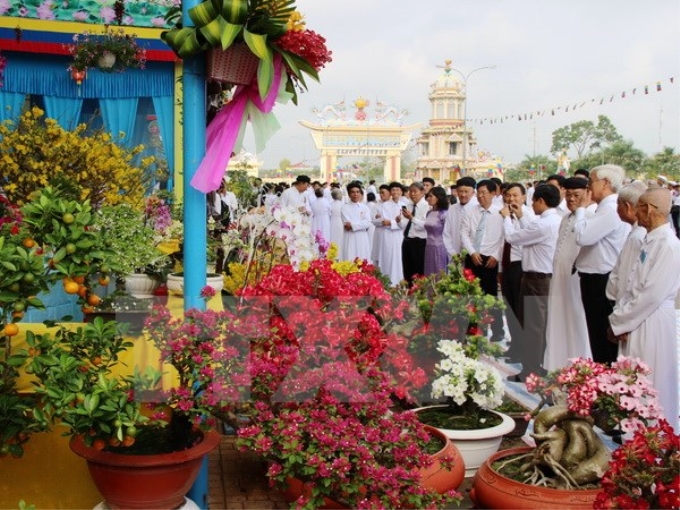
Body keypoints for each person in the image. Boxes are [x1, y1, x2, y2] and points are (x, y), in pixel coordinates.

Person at [608, 188, 680, 432]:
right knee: (632, 379)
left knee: (652, 380)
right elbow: (632, 284)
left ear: (648, 209)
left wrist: (619, 321)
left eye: (638, 206)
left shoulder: (669, 245)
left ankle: (654, 438)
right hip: (636, 318)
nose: (635, 212)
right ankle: (633, 435)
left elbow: (651, 294)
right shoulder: (650, 239)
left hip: (652, 320)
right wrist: (622, 319)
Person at [501, 184, 562, 381]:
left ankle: (531, 370)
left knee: (533, 327)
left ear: (541, 201)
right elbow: (529, 230)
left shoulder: (544, 223)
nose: (531, 205)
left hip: (537, 279)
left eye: (533, 201)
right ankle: (537, 364)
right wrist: (520, 217)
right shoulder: (549, 220)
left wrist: (506, 219)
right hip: (538, 278)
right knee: (535, 325)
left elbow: (513, 237)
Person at [573, 164, 630, 364]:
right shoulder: (603, 208)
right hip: (594, 279)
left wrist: (581, 209)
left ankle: (606, 382)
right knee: (597, 336)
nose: (589, 187)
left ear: (605, 183)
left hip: (601, 280)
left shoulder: (610, 209)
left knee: (602, 338)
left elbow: (583, 236)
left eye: (591, 182)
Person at [543, 177, 592, 372]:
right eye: (569, 195)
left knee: (576, 322)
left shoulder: (589, 217)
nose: (571, 199)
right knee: (557, 320)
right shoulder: (565, 218)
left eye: (577, 195)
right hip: (559, 278)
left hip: (575, 280)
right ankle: (558, 364)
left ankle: (581, 367)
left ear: (587, 195)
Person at [461, 179, 505, 342]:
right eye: (478, 192)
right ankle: (474, 327)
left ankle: (497, 329)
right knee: (472, 294)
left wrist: (495, 255)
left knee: (491, 295)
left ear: (493, 193)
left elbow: (504, 236)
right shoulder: (470, 211)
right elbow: (464, 233)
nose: (480, 196)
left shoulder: (500, 212)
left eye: (484, 193)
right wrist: (472, 252)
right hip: (473, 256)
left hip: (490, 259)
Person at [499, 183, 534, 361]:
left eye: (515, 195)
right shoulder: (505, 214)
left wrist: (508, 218)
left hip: (520, 265)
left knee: (520, 311)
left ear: (523, 197)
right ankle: (515, 344)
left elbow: (515, 239)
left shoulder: (527, 216)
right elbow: (501, 242)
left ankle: (522, 349)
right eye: (508, 196)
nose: (511, 199)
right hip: (507, 265)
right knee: (510, 308)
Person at [605, 181, 648, 305]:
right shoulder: (636, 232)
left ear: (627, 206)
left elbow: (627, 276)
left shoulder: (637, 236)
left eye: (618, 204)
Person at [401, 181, 428, 284]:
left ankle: (419, 293)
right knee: (407, 269)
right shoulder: (408, 205)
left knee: (418, 270)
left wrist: (412, 218)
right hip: (407, 241)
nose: (412, 194)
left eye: (414, 191)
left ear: (422, 192)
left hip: (419, 242)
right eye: (410, 191)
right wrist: (399, 221)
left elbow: (424, 226)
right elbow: (404, 224)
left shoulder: (427, 207)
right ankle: (409, 293)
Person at [379, 182, 406, 286]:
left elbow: (404, 223)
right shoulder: (385, 205)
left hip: (400, 235)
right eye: (393, 190)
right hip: (388, 234)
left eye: (397, 190)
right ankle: (387, 281)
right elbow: (384, 222)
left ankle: (399, 282)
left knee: (399, 258)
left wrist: (392, 222)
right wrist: (395, 222)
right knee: (388, 257)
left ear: (401, 192)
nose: (395, 192)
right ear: (390, 192)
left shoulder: (404, 205)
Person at [443, 177, 478, 258]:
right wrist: (452, 252)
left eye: (466, 191)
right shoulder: (452, 208)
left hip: (473, 255)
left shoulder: (477, 208)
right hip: (454, 254)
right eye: (460, 191)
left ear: (473, 192)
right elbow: (446, 233)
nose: (463, 194)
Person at [339, 182, 372, 262]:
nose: (355, 194)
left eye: (357, 192)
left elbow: (368, 223)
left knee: (362, 259)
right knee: (350, 258)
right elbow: (347, 224)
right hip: (350, 237)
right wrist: (361, 224)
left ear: (360, 193)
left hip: (362, 237)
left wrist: (353, 225)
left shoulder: (365, 207)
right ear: (349, 194)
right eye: (353, 192)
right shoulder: (344, 207)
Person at [423, 186, 450, 275]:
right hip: (428, 246)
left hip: (440, 247)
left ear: (438, 197)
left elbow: (448, 233)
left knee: (439, 272)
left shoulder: (444, 214)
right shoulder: (429, 213)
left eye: (431, 196)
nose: (428, 198)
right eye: (428, 196)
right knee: (429, 272)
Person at [371, 185, 391, 266]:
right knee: (378, 256)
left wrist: (381, 218)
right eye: (380, 193)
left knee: (388, 256)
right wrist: (383, 220)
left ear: (389, 193)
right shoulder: (376, 205)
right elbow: (373, 220)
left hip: (390, 234)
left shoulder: (394, 204)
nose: (381, 195)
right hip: (379, 233)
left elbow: (395, 221)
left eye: (383, 193)